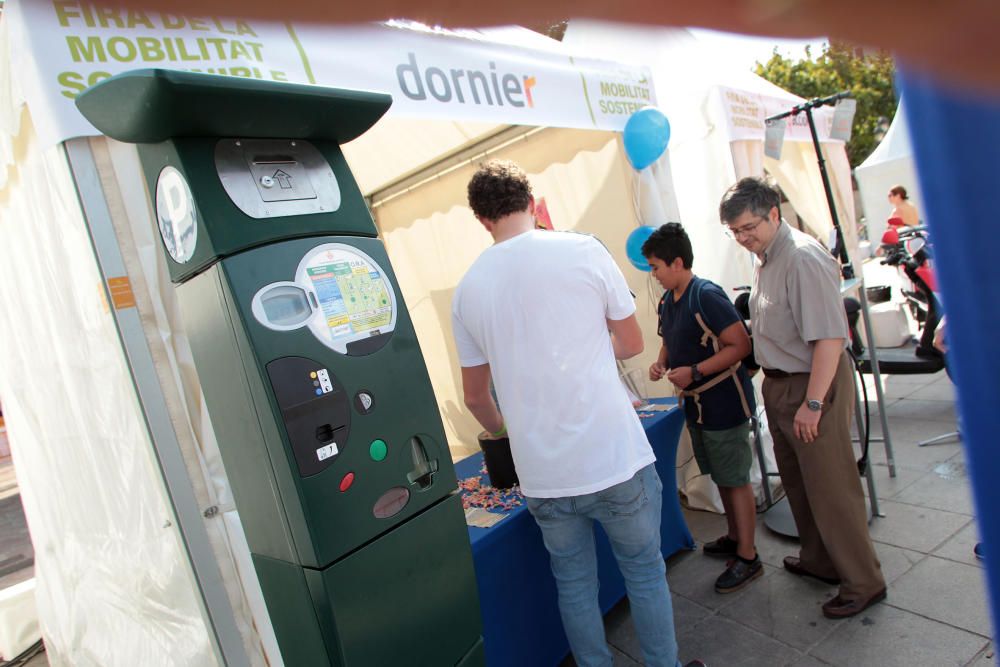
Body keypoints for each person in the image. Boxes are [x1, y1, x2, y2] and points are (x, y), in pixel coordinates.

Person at [452, 160, 702, 667]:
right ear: (530, 202)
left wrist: (508, 431)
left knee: (574, 586)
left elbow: (475, 398)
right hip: (612, 457)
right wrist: (581, 349)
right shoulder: (582, 249)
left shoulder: (467, 289)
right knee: (645, 573)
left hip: (544, 474)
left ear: (482, 220)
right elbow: (632, 342)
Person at [719, 177, 886, 619]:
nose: (742, 237)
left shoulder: (802, 256)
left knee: (832, 488)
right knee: (797, 481)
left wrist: (813, 404)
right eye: (734, 231)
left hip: (812, 383)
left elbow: (830, 338)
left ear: (774, 212)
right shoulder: (767, 256)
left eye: (748, 227)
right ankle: (820, 560)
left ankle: (863, 581)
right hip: (780, 383)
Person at [642, 223, 761, 594]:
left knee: (735, 479)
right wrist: (661, 363)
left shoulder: (706, 295)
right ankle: (734, 535)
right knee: (720, 475)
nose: (654, 275)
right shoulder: (668, 300)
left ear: (678, 262)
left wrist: (695, 371)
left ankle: (748, 556)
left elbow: (739, 345)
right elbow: (668, 339)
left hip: (723, 401)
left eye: (657, 266)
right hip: (697, 407)